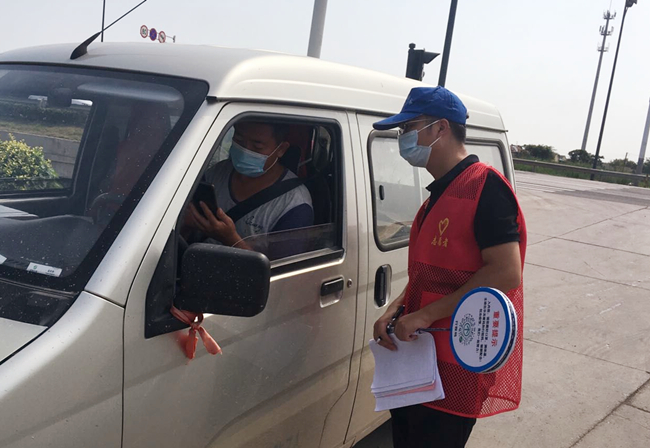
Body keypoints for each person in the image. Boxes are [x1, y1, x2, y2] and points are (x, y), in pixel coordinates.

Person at [371, 87, 527, 448]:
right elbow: (433, 273)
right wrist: (396, 309)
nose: (402, 137)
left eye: (409, 127)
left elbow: (506, 272)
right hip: (419, 362)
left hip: (457, 363)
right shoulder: (440, 193)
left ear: (440, 128)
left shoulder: (485, 187)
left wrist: (425, 315)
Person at [185, 121, 313, 253]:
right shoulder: (216, 172)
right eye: (239, 140)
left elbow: (280, 265)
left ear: (281, 149)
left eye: (257, 146)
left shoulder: (294, 204)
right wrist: (188, 224)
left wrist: (230, 239)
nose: (245, 150)